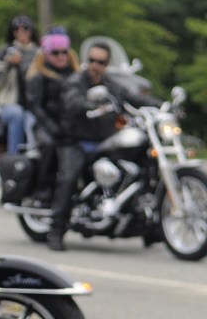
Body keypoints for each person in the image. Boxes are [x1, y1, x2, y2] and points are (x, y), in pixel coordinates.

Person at [50, 40, 160, 251]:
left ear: (107, 64)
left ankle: (149, 227)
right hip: (76, 140)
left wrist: (159, 105)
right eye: (92, 60)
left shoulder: (111, 84)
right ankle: (56, 230)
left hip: (103, 142)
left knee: (143, 165)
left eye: (100, 61)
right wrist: (91, 106)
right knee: (69, 177)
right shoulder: (76, 81)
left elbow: (132, 98)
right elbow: (73, 102)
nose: (95, 65)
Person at [25, 27, 80, 204]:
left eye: (64, 52)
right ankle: (43, 189)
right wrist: (52, 127)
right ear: (46, 54)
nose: (60, 56)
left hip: (69, 125)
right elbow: (35, 106)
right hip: (45, 124)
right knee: (49, 145)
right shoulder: (38, 75)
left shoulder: (75, 74)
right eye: (55, 52)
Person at [0, 14, 38, 154]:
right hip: (8, 103)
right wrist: (9, 65)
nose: (21, 32)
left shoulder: (39, 53)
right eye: (16, 29)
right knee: (18, 114)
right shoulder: (5, 51)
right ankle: (14, 158)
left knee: (32, 120)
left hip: (33, 104)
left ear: (31, 31)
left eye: (25, 29)